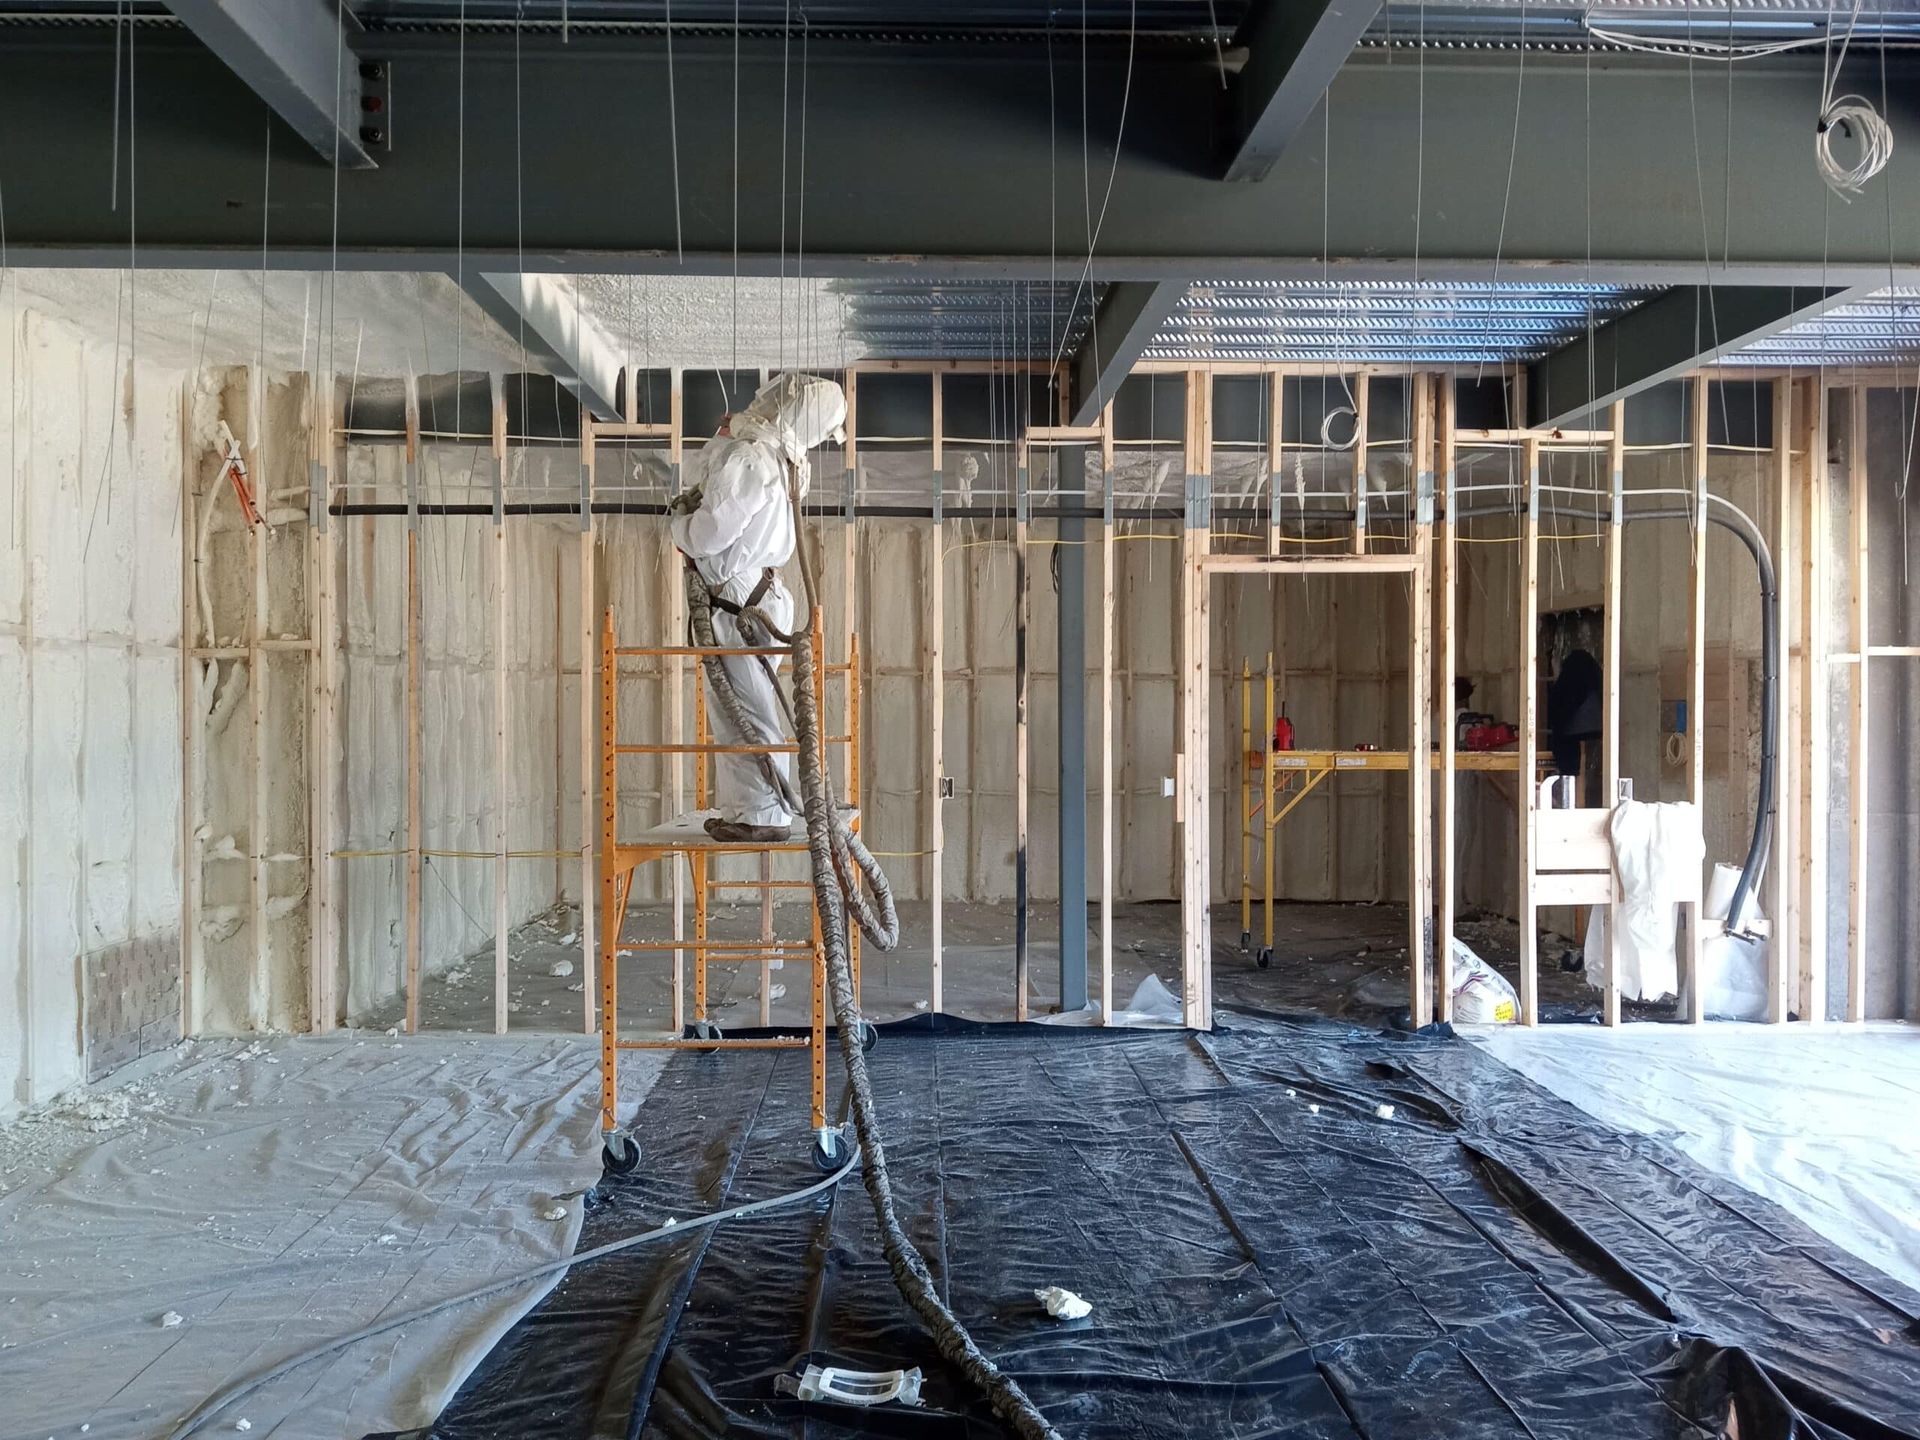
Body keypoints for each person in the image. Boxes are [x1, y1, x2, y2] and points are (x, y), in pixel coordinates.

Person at [669, 373, 847, 843]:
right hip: (755, 595)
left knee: (743, 710)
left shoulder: (752, 458)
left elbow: (712, 530)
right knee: (748, 705)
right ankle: (752, 809)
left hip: (738, 598)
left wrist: (678, 527)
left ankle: (761, 816)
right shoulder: (781, 461)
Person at [1547, 647, 1603, 804]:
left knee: (1572, 777)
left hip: (1571, 736)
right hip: (1596, 733)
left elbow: (1555, 711)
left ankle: (1570, 802)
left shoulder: (1567, 683)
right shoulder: (1594, 680)